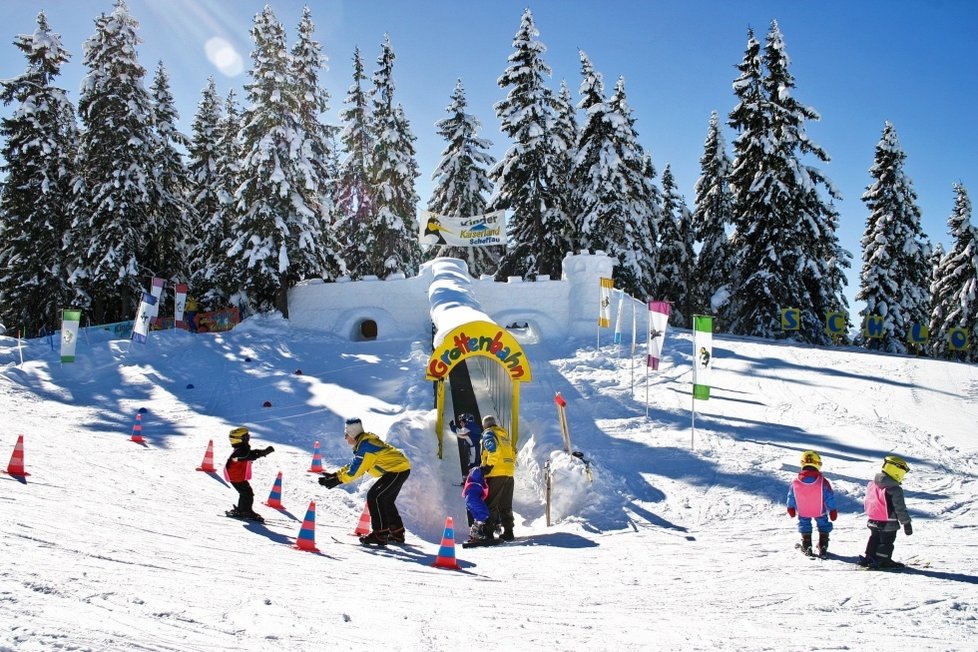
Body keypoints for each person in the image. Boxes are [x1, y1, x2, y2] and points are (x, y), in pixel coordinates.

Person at [319, 417, 411, 546]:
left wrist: (337, 480)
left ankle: (380, 534)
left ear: (352, 434)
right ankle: (397, 533)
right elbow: (354, 465)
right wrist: (335, 475)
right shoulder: (364, 444)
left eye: (346, 435)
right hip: (397, 469)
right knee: (385, 499)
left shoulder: (366, 447)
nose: (345, 438)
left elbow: (355, 471)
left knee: (375, 497)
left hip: (398, 470)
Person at [859, 455, 913, 569]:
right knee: (886, 542)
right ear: (897, 470)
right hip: (888, 522)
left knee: (874, 538)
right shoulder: (895, 489)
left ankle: (870, 557)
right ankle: (883, 561)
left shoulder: (872, 484)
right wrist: (906, 522)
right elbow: (899, 508)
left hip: (873, 519)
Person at [785, 450, 837, 557]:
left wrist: (790, 507)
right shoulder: (822, 481)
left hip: (803, 511)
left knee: (804, 524)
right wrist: (832, 509)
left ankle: (807, 544)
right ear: (817, 464)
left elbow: (791, 495)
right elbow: (829, 496)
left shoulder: (796, 482)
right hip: (819, 511)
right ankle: (823, 545)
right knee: (823, 524)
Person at [225, 426, 274, 523]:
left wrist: (263, 452)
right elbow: (248, 455)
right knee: (247, 494)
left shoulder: (241, 448)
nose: (248, 438)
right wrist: (261, 453)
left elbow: (251, 453)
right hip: (236, 477)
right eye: (246, 437)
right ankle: (244, 511)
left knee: (246, 493)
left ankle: (242, 510)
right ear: (240, 439)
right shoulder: (240, 451)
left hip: (238, 476)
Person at [480, 414, 516, 541]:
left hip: (496, 473)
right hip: (509, 472)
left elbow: (493, 449)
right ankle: (509, 532)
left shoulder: (488, 433)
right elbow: (513, 452)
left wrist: (489, 465)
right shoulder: (504, 435)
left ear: (485, 425)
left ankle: (488, 533)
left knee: (491, 503)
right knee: (505, 505)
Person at [462, 464, 495, 545]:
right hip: (473, 498)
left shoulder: (477, 479)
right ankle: (475, 533)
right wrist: (481, 469)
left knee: (478, 516)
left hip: (470, 499)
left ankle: (475, 534)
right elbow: (475, 472)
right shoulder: (476, 471)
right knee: (484, 512)